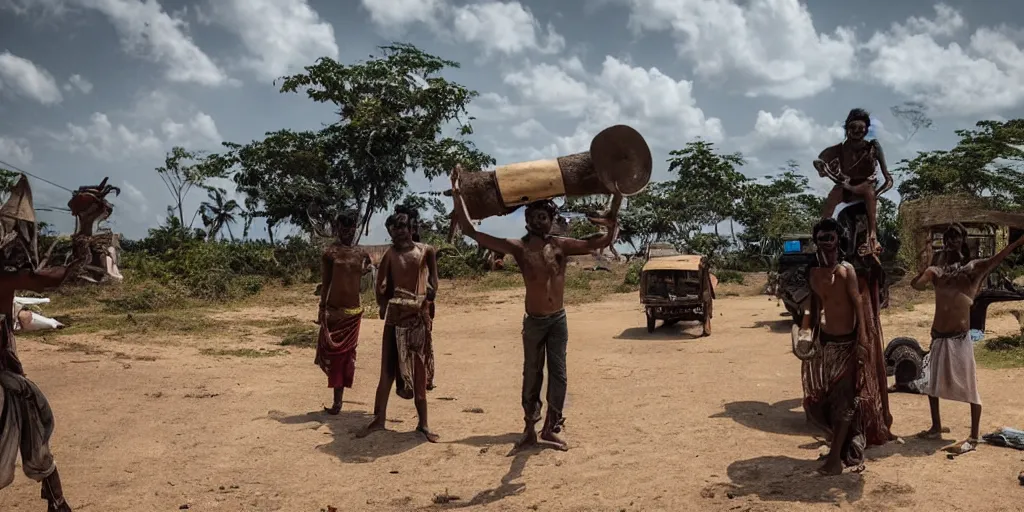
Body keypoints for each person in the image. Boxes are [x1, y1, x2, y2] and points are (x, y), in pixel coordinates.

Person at [449, 164, 620, 451]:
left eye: (544, 216)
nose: (539, 221)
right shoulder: (518, 247)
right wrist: (457, 193)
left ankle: (551, 428)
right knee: (532, 373)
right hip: (534, 322)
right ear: (526, 219)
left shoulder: (561, 246)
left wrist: (614, 206)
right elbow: (470, 230)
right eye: (534, 216)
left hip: (558, 321)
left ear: (552, 219)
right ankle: (529, 427)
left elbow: (602, 241)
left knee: (559, 374)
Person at [1, 200, 102, 512]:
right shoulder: (7, 279)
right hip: (5, 374)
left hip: (5, 374)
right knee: (32, 420)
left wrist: (84, 230)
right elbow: (63, 275)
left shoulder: (6, 278)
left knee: (30, 417)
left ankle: (57, 500)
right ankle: (57, 500)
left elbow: (59, 276)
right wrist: (84, 230)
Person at [911, 225, 1024, 455]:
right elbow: (917, 285)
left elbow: (997, 258)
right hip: (939, 336)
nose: (951, 241)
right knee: (932, 384)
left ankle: (973, 435)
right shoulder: (938, 271)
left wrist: (1016, 243)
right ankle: (936, 426)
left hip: (959, 338)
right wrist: (926, 268)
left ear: (963, 241)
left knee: (970, 388)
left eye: (956, 236)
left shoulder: (972, 268)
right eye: (948, 237)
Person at [801, 218, 880, 475]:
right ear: (817, 242)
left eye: (831, 237)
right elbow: (813, 309)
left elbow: (858, 306)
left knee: (845, 403)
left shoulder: (846, 271)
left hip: (848, 346)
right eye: (822, 238)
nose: (826, 242)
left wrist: (864, 342)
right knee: (823, 402)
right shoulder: (813, 273)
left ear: (838, 240)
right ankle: (841, 449)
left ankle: (835, 460)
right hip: (826, 347)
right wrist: (807, 335)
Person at [358, 207, 439, 442]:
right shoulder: (390, 255)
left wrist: (429, 296)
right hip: (395, 319)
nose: (399, 232)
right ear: (390, 232)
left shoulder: (426, 251)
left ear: (411, 228)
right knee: (387, 371)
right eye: (394, 228)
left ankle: (423, 423)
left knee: (419, 370)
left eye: (403, 227)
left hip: (417, 320)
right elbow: (380, 285)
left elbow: (434, 281)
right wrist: (383, 303)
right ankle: (378, 418)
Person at [814, 108, 893, 256]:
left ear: (866, 130)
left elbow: (888, 179)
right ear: (847, 129)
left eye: (861, 129)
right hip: (846, 189)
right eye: (853, 128)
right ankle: (822, 235)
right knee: (834, 195)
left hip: (866, 192)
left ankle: (872, 238)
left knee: (868, 190)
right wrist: (824, 169)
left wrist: (876, 193)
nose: (857, 131)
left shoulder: (873, 148)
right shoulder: (839, 149)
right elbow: (820, 164)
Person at [315, 210, 371, 415]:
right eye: (343, 228)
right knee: (335, 357)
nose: (347, 232)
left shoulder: (361, 254)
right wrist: (322, 309)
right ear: (337, 229)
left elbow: (367, 275)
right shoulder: (330, 253)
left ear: (355, 229)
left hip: (353, 314)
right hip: (334, 312)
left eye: (351, 228)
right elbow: (326, 282)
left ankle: (339, 402)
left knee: (347, 358)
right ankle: (337, 402)